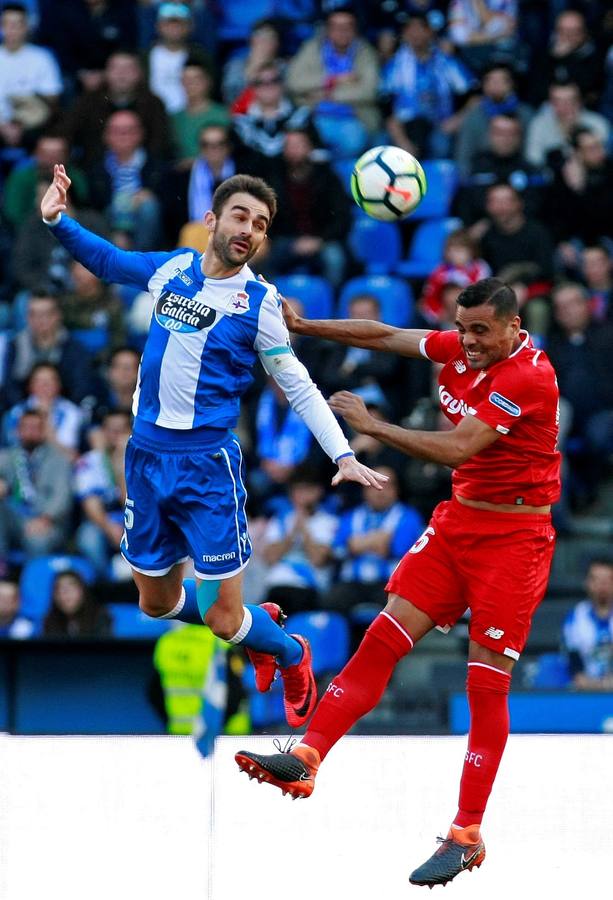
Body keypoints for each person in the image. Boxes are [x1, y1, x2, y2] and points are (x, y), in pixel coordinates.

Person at [236, 277, 560, 888]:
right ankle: (306, 757)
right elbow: (385, 334)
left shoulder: (527, 377)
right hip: (459, 523)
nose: (467, 342)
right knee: (383, 636)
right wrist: (307, 328)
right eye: (461, 329)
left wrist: (372, 426)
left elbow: (462, 448)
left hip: (515, 542)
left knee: (485, 684)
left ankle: (466, 833)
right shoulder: (461, 348)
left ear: (514, 329)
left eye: (481, 332)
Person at [40, 164, 386, 730]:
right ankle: (260, 622)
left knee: (224, 620)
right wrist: (58, 221)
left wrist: (343, 454)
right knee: (154, 604)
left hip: (206, 468)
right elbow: (109, 262)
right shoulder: (173, 267)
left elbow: (296, 385)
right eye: (240, 216)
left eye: (261, 223)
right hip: (146, 459)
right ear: (212, 220)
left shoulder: (259, 303)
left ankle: (291, 653)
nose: (249, 228)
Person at [0, 409, 73, 569]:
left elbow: (62, 497)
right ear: (18, 431)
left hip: (49, 522)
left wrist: (44, 519)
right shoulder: (6, 457)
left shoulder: (59, 459)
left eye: (35, 427)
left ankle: (34, 586)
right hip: (17, 518)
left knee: (36, 540)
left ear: (43, 431)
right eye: (26, 427)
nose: (30, 432)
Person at [563, 558, 613, 691]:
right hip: (584, 686)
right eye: (596, 579)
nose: (602, 585)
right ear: (587, 583)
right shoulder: (576, 616)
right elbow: (572, 656)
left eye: (608, 580)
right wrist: (582, 679)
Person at [43, 569, 111, 638]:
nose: (66, 594)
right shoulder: (49, 621)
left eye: (71, 588)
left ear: (82, 591)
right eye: (60, 590)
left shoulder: (100, 617)